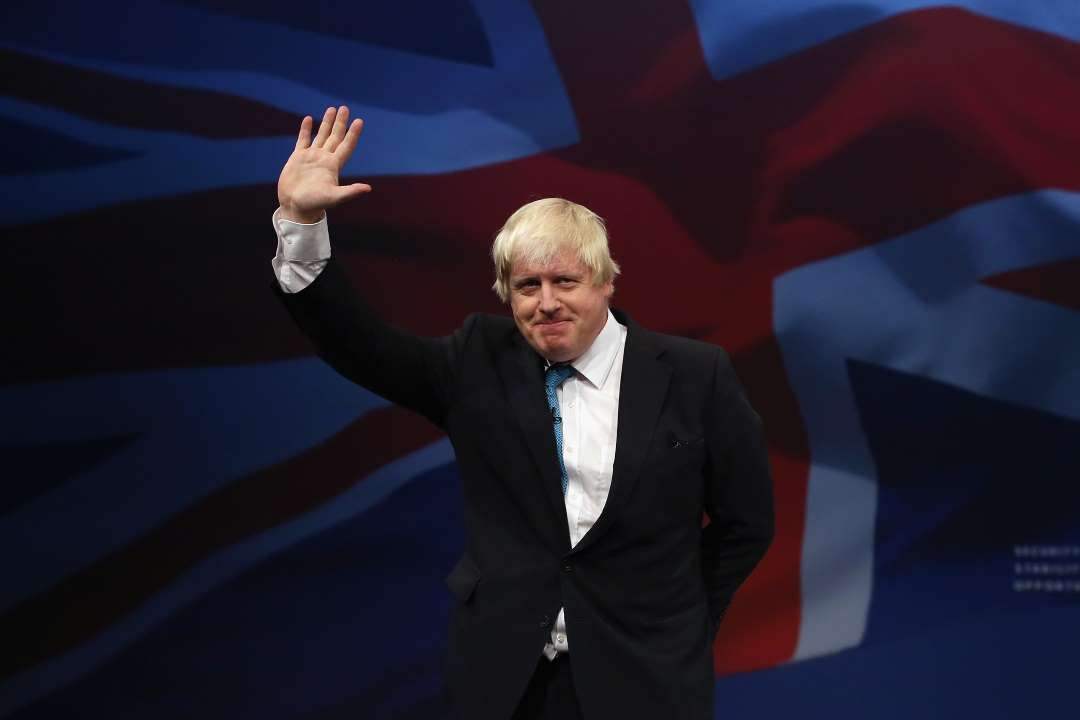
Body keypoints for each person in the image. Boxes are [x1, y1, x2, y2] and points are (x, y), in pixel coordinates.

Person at [271, 106, 774, 720]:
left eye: (565, 281)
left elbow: (746, 522)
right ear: (506, 295)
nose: (547, 302)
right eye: (527, 286)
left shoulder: (695, 375)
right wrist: (303, 221)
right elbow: (359, 345)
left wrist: (680, 620)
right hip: (506, 682)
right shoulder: (478, 360)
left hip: (646, 680)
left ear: (606, 282)